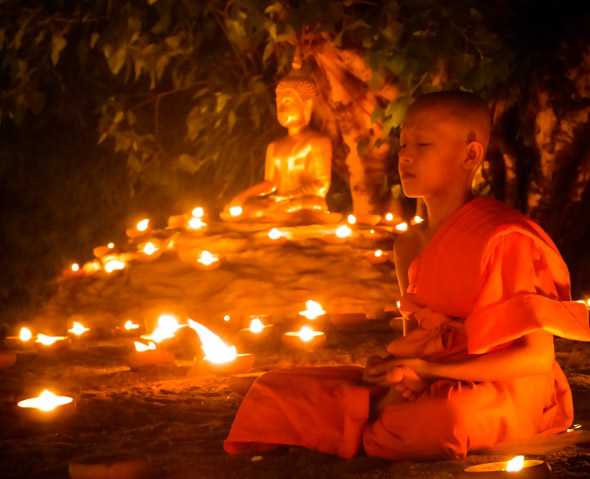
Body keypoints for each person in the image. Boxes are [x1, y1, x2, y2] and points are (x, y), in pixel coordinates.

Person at [224, 91, 590, 460]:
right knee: (269, 388)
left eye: (423, 144)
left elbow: (536, 359)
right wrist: (396, 371)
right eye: (402, 144)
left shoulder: (504, 236)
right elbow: (413, 340)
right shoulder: (409, 244)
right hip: (429, 376)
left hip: (502, 385)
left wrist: (429, 372)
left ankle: (367, 422)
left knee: (443, 418)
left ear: (471, 155)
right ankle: (375, 420)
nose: (405, 155)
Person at [221, 66, 336, 223]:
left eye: (287, 102)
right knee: (244, 209)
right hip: (279, 202)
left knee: (307, 206)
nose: (281, 108)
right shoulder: (274, 146)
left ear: (307, 105)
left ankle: (279, 215)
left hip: (305, 202)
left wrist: (286, 197)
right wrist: (243, 196)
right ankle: (274, 214)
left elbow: (321, 186)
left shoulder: (318, 142)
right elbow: (270, 183)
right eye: (278, 102)